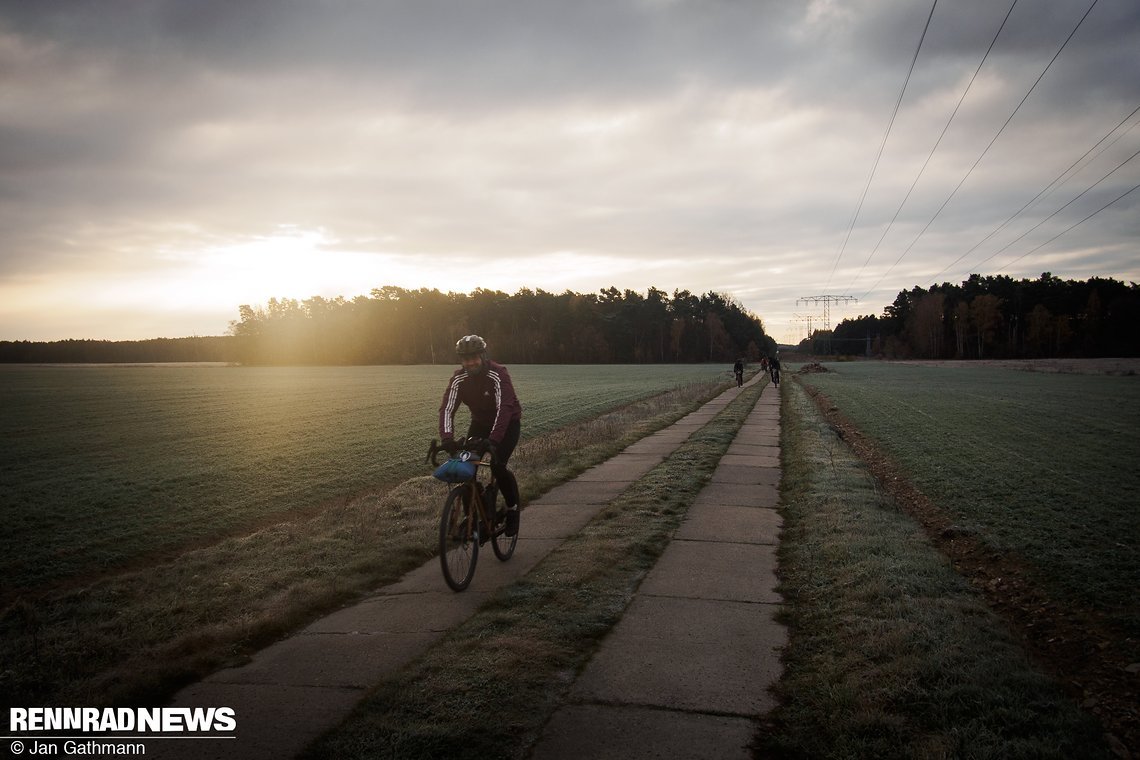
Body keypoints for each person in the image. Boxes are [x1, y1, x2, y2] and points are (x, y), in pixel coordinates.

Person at [439, 335, 523, 536]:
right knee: (465, 467)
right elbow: (447, 409)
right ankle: (475, 514)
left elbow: (505, 407)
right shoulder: (459, 379)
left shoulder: (498, 373)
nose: (470, 363)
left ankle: (512, 510)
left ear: (482, 356)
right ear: (461, 360)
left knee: (497, 464)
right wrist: (447, 438)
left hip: (508, 424)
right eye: (466, 359)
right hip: (480, 423)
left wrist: (493, 441)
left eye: (474, 358)